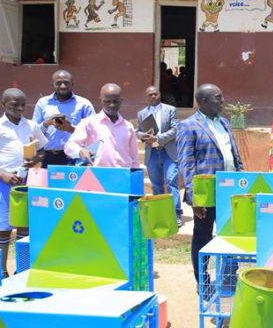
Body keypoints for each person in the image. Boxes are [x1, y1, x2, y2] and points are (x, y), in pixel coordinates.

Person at [0, 88, 47, 277]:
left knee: (25, 227)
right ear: (3, 104)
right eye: (15, 104)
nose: (20, 108)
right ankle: (1, 271)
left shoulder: (31, 126)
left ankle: (22, 270)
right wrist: (0, 174)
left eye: (23, 104)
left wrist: (34, 160)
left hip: (26, 183)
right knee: (3, 228)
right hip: (4, 183)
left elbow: (42, 150)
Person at [177, 83, 243, 283]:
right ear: (204, 101)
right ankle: (203, 280)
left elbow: (234, 153)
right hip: (206, 193)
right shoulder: (188, 126)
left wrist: (242, 179)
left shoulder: (224, 123)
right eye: (218, 97)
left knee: (231, 235)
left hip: (231, 191)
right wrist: (194, 195)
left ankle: (229, 277)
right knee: (203, 237)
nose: (222, 101)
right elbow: (186, 163)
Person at [136, 86, 182, 227]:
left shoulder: (170, 110)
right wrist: (142, 136)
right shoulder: (142, 113)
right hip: (153, 153)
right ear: (146, 97)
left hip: (168, 152)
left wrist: (158, 138)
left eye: (155, 94)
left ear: (160, 94)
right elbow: (138, 131)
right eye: (150, 95)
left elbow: (175, 129)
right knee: (156, 185)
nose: (153, 97)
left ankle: (175, 214)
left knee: (171, 181)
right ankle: (159, 213)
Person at [65, 84, 139, 168]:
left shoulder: (128, 126)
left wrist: (135, 174)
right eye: (107, 101)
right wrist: (80, 151)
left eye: (115, 101)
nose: (112, 105)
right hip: (98, 175)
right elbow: (69, 146)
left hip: (123, 176)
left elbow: (134, 157)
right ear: (101, 100)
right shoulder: (88, 123)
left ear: (121, 101)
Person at [32, 70, 95, 167]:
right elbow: (33, 133)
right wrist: (46, 124)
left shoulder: (84, 104)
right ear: (52, 84)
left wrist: (70, 129)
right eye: (58, 83)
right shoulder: (42, 103)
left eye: (66, 83)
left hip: (75, 158)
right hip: (48, 156)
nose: (63, 86)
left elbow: (93, 133)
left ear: (72, 84)